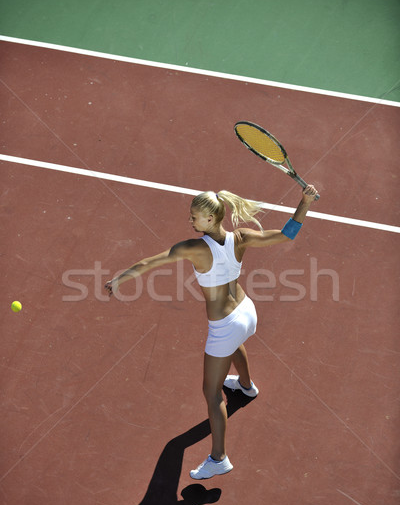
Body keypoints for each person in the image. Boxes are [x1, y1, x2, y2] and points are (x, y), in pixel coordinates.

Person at [105, 184, 319, 479]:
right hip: (247, 312)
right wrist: (305, 201)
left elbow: (149, 262)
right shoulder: (241, 237)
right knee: (235, 344)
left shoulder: (193, 248)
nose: (190, 221)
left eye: (194, 217)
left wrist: (119, 279)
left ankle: (219, 458)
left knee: (211, 391)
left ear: (210, 219)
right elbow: (287, 234)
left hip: (225, 324)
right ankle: (246, 386)